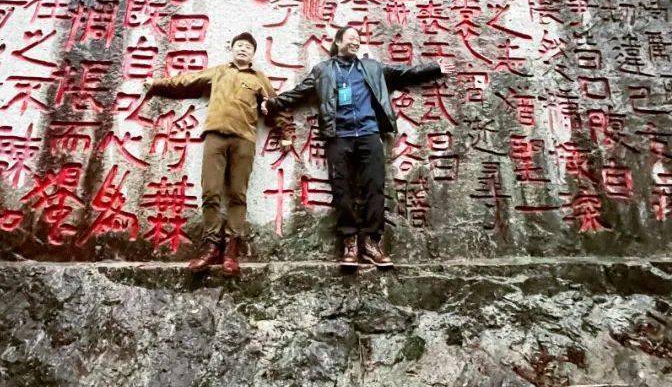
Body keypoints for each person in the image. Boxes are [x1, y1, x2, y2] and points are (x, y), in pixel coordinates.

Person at [264, 26, 453, 268]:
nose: (356, 42)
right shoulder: (323, 70)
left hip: (369, 133)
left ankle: (371, 243)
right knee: (341, 189)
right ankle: (350, 242)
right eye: (351, 38)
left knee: (374, 187)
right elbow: (300, 92)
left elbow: (404, 73)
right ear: (338, 41)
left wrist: (434, 68)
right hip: (338, 135)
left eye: (358, 39)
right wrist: (273, 103)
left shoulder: (371, 67)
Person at [143, 32, 281, 275]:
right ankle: (210, 247)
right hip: (215, 137)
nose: (242, 50)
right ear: (232, 48)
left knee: (238, 194)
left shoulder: (259, 78)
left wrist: (286, 131)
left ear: (253, 53)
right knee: (211, 192)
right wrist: (156, 84)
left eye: (247, 47)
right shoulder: (218, 72)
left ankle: (231, 251)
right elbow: (187, 81)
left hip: (244, 140)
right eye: (239, 45)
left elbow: (276, 106)